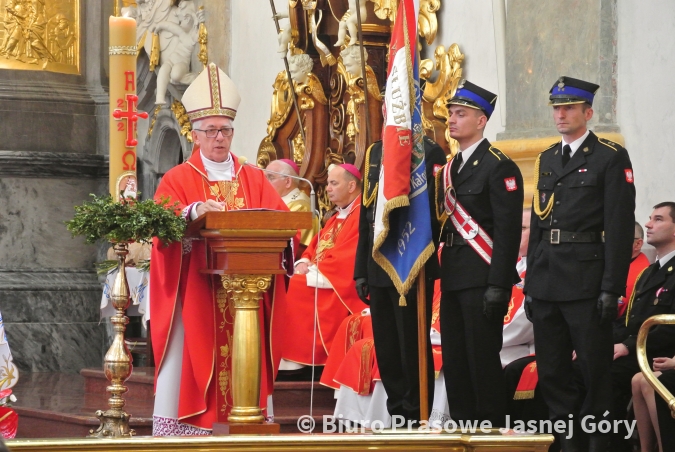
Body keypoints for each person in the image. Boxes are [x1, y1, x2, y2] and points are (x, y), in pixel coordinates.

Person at [149, 63, 289, 435]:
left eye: (225, 130)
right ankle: (191, 428)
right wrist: (194, 212)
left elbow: (283, 223)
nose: (219, 138)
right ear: (194, 136)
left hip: (247, 292)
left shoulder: (254, 177)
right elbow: (162, 229)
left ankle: (246, 422)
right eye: (210, 131)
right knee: (195, 355)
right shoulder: (178, 178)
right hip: (198, 291)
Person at [524, 76, 636, 451]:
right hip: (546, 280)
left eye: (569, 107)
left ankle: (600, 446)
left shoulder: (608, 156)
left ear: (587, 112)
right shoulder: (547, 158)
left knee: (594, 371)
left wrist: (611, 287)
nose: (561, 114)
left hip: (587, 280)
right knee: (553, 371)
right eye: (557, 107)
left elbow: (619, 226)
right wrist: (530, 285)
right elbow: (540, 222)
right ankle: (568, 445)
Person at [436, 80, 524, 426]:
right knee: (455, 359)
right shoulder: (450, 168)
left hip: (483, 276)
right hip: (455, 275)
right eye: (451, 114)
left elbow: (507, 232)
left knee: (481, 359)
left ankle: (490, 430)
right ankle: (461, 428)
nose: (452, 120)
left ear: (481, 120)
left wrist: (499, 285)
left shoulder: (498, 166)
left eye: (461, 114)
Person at [353, 135, 446, 423]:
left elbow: (434, 212)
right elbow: (367, 214)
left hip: (411, 260)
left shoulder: (429, 151)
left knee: (411, 346)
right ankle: (398, 415)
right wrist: (361, 269)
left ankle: (417, 415)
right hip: (378, 261)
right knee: (387, 347)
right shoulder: (375, 151)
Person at [279, 164, 367, 372]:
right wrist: (303, 262)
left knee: (299, 285)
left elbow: (350, 255)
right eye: (328, 183)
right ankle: (293, 352)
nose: (327, 188)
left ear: (352, 185)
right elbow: (315, 246)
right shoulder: (337, 216)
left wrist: (315, 270)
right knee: (293, 279)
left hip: (343, 282)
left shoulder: (361, 215)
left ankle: (305, 356)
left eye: (334, 183)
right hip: (323, 273)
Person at [612, 202, 675, 450]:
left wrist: (627, 346)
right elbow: (628, 321)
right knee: (586, 365)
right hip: (641, 348)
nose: (648, 224)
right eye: (650, 218)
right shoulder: (649, 273)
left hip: (656, 351)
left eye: (658, 219)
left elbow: (668, 328)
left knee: (608, 375)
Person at [265, 159, 317, 254]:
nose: (265, 182)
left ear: (288, 181)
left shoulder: (301, 207)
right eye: (264, 178)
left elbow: (299, 247)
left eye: (271, 177)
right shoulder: (275, 202)